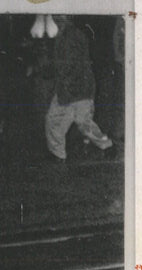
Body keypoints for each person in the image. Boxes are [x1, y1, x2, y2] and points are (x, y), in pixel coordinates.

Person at [44, 15, 113, 161]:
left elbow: (67, 64)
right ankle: (106, 146)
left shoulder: (67, 36)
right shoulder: (72, 33)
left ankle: (58, 154)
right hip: (81, 87)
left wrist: (61, 83)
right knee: (83, 122)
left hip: (71, 87)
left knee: (54, 120)